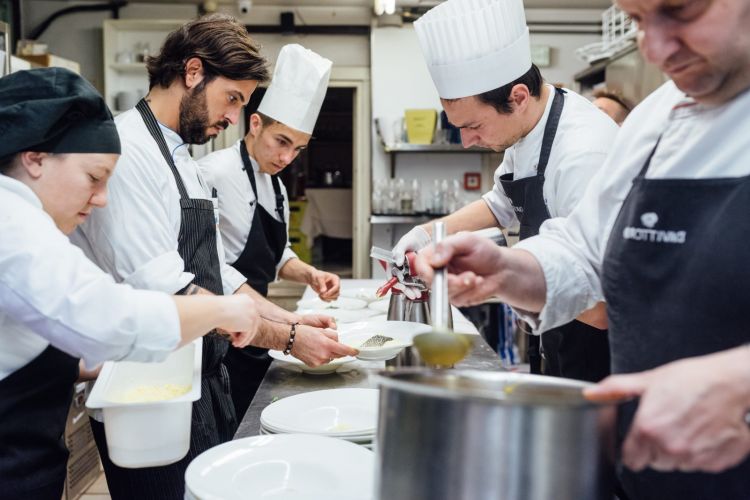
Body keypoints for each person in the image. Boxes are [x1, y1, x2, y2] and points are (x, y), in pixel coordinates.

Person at [413, 0, 750, 496]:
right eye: (637, 21)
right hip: (646, 463)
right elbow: (585, 251)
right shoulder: (656, 120)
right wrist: (509, 269)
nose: (653, 50)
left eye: (680, 11)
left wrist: (736, 381)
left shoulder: (585, 143)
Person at [73, 15, 356, 499]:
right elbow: (171, 294)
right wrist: (287, 338)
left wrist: (288, 319)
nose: (232, 116)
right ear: (193, 71)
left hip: (202, 375)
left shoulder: (181, 158)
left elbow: (217, 271)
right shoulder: (129, 152)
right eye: (233, 99)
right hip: (148, 397)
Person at [0, 68, 259, 500]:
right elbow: (107, 316)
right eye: (93, 177)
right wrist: (220, 310)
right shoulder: (13, 224)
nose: (102, 197)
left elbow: (31, 340)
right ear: (36, 158)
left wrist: (92, 362)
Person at [394, 0, 618, 383]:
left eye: (474, 125)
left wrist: (501, 279)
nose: (466, 142)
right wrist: (428, 232)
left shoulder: (584, 153)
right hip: (553, 335)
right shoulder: (528, 128)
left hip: (598, 357)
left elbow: (601, 307)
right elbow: (501, 204)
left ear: (517, 97)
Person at [197, 44, 342, 418]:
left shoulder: (274, 184)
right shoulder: (213, 173)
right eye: (282, 142)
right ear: (256, 123)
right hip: (223, 332)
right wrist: (289, 323)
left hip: (260, 327)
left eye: (298, 149)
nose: (286, 158)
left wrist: (310, 274)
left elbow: (278, 257)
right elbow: (212, 267)